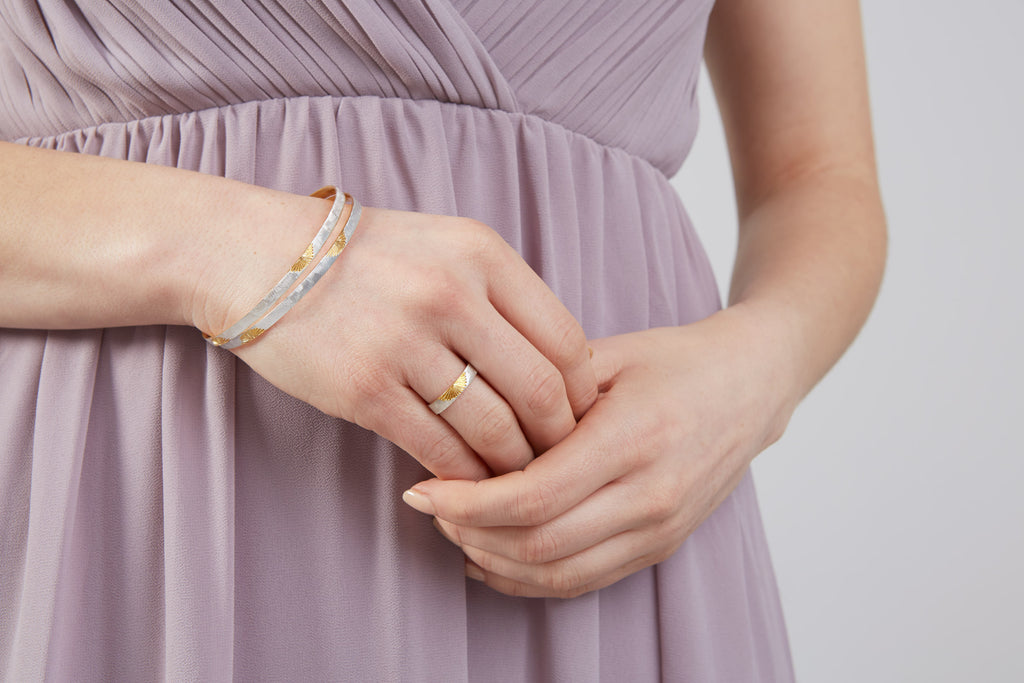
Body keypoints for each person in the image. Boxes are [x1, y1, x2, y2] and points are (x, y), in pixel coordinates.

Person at [0, 0, 886, 680]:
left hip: (618, 521)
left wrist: (751, 379)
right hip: (125, 490)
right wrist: (243, 255)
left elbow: (820, 178)